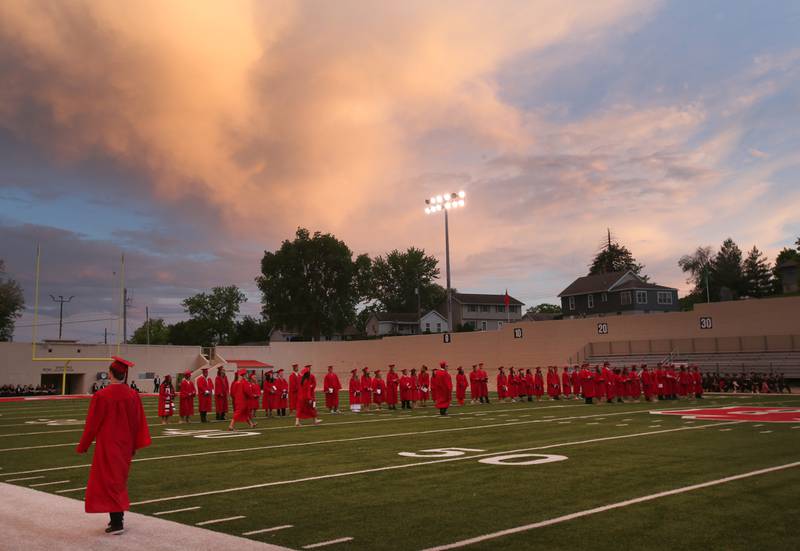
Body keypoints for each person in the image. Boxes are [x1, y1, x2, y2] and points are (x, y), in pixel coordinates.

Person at [76, 356, 151, 535]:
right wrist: (134, 445)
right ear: (124, 375)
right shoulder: (133, 394)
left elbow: (93, 424)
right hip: (125, 444)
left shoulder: (102, 395)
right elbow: (137, 422)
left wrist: (83, 445)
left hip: (108, 444)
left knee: (108, 482)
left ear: (110, 374)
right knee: (118, 481)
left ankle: (117, 523)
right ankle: (116, 519)